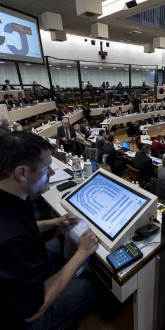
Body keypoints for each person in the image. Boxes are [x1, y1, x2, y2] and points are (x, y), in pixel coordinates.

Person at [0, 131, 98, 329]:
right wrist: (81, 253)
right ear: (22, 173)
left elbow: (23, 228)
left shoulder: (11, 198)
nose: (52, 173)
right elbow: (32, 310)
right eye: (47, 168)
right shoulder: (10, 238)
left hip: (21, 273)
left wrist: (54, 222)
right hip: (24, 319)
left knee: (61, 243)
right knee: (92, 285)